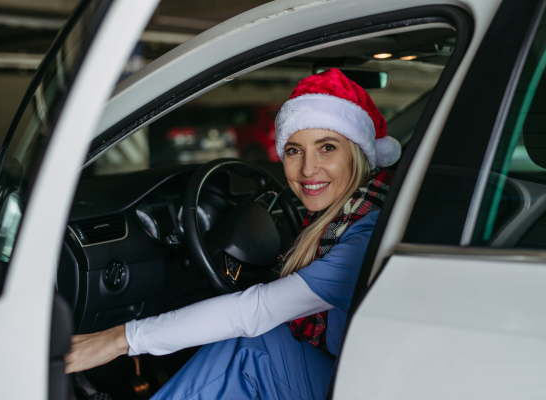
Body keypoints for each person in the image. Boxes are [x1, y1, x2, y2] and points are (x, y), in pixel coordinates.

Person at [65, 68, 402, 400]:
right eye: (293, 150)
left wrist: (118, 339)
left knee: (253, 347)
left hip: (368, 385)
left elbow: (253, 312)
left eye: (327, 147)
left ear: (358, 154)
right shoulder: (359, 213)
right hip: (363, 372)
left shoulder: (364, 237)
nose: (307, 169)